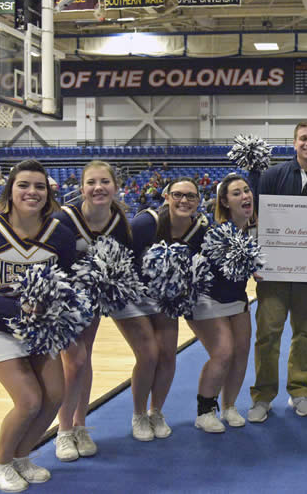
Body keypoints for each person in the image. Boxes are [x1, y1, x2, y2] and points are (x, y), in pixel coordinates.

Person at [0, 160, 75, 492]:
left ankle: (21, 458)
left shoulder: (59, 235)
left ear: (48, 194)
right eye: (24, 185)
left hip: (41, 330)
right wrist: (17, 308)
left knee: (54, 396)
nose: (31, 192)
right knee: (29, 400)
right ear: (10, 190)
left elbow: (69, 282)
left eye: (39, 187)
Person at [248, 121, 307, 423]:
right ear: (294, 143)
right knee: (267, 335)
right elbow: (257, 219)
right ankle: (262, 397)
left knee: (304, 332)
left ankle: (299, 392)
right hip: (274, 273)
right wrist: (255, 260)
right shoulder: (273, 175)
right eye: (303, 138)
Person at [113, 177, 209, 442]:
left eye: (191, 196)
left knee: (168, 355)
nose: (184, 201)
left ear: (198, 201)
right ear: (166, 196)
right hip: (131, 297)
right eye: (178, 195)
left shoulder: (198, 229)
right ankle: (139, 414)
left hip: (165, 299)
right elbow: (117, 255)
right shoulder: (147, 223)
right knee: (149, 354)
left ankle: (157, 412)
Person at [54, 161, 132, 461]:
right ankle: (63, 431)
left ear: (115, 186)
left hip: (94, 303)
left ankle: (80, 425)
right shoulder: (64, 219)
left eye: (104, 181)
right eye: (91, 182)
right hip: (61, 303)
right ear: (82, 187)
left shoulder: (120, 222)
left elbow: (123, 265)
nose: (98, 187)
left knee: (83, 360)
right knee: (74, 362)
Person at [191, 173, 257, 432]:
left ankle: (229, 407)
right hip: (208, 300)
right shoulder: (214, 230)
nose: (245, 196)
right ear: (225, 202)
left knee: (241, 353)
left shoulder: (255, 229)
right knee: (224, 352)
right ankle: (205, 410)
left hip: (237, 299)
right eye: (237, 193)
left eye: (247, 190)